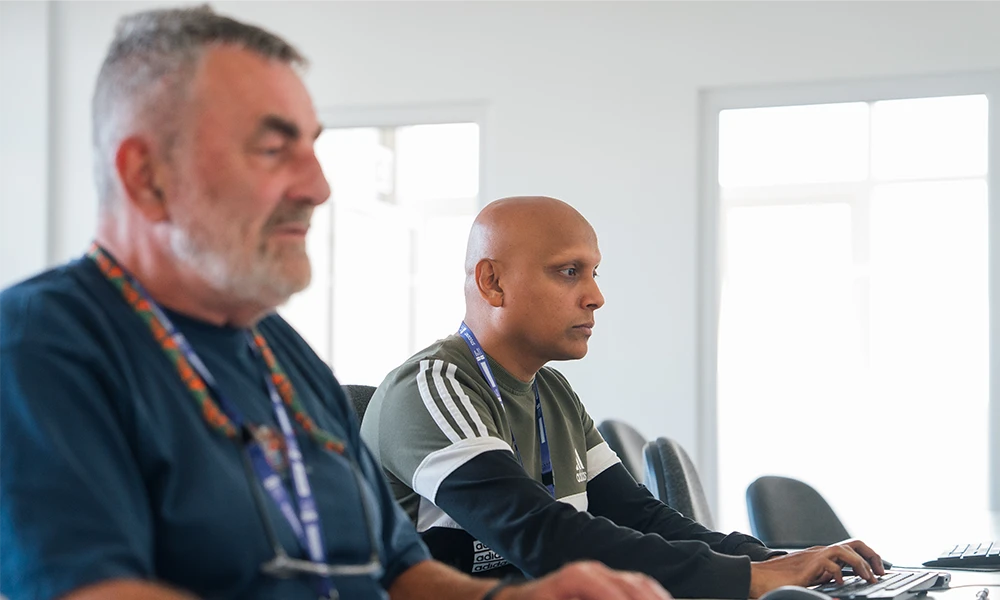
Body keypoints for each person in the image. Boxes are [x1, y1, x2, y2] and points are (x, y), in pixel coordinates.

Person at [0, 7, 674, 600]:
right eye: (274, 149)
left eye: (313, 147)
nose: (318, 186)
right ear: (146, 176)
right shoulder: (42, 344)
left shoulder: (281, 353)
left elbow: (399, 573)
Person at [360, 196, 888, 599]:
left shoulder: (552, 392)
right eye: (569, 272)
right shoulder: (433, 385)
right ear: (492, 282)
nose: (596, 296)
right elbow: (542, 536)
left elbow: (641, 517)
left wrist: (783, 560)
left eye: (593, 273)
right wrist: (747, 577)